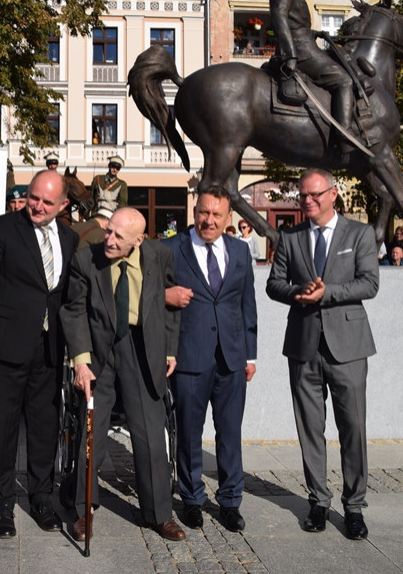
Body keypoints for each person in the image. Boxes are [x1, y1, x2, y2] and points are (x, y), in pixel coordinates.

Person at [266, 168, 379, 540]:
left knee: (353, 427)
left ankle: (354, 507)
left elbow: (369, 283)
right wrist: (298, 291)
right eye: (302, 196)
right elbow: (273, 284)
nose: (308, 201)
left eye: (315, 195)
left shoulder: (359, 234)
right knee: (310, 428)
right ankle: (318, 500)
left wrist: (326, 293)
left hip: (347, 345)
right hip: (303, 345)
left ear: (333, 194)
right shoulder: (290, 236)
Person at [61, 207, 185, 542]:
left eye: (119, 236)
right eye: (108, 230)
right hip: (99, 353)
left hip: (141, 348)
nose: (109, 239)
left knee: (150, 437)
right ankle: (83, 510)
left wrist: (170, 349)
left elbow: (170, 305)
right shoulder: (86, 260)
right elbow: (73, 311)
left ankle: (159, 515)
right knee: (92, 436)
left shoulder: (159, 255)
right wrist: (81, 362)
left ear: (139, 240)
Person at [0, 169, 78, 539]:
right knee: (4, 427)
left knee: (45, 426)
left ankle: (41, 497)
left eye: (48, 202)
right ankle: (2, 503)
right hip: (7, 343)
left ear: (63, 205)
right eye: (34, 197)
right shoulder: (1, 227)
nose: (37, 205)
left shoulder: (70, 236)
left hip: (49, 348)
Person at [164, 186, 257, 533]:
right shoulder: (170, 249)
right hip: (189, 356)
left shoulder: (240, 251)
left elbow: (247, 303)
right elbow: (143, 291)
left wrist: (251, 355)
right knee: (189, 432)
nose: (209, 220)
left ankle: (231, 501)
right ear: (194, 211)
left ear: (228, 218)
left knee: (230, 432)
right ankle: (191, 498)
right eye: (204, 212)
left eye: (217, 215)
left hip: (232, 357)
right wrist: (165, 295)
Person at [270, 0, 359, 150]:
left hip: (304, 43)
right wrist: (290, 54)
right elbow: (280, 18)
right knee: (344, 80)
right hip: (301, 50)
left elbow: (293, 22)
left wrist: (314, 33)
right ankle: (344, 134)